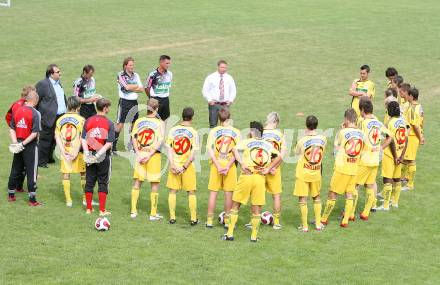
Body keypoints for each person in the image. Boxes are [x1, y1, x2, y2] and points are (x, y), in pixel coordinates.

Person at [223, 121, 282, 242]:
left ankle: (229, 234)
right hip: (260, 178)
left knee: (235, 206)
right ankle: (254, 237)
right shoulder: (267, 145)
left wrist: (242, 163)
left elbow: (234, 150)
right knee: (257, 209)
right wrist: (269, 168)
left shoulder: (247, 142)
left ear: (252, 131)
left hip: (246, 176)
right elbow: (280, 156)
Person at [321, 109, 363, 226]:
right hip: (354, 168)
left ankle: (323, 219)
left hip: (342, 168)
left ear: (346, 119)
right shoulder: (361, 133)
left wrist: (340, 129)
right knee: (349, 194)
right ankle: (345, 221)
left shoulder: (343, 132)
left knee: (332, 193)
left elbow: (336, 147)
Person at [356, 98, 392, 221]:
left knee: (354, 185)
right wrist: (381, 148)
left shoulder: (362, 122)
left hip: (364, 159)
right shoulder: (378, 122)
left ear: (362, 110)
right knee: (370, 185)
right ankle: (368, 210)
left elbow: (357, 139)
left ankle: (349, 212)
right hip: (375, 160)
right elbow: (390, 137)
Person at [130, 98, 165, 220]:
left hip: (140, 155)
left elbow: (134, 138)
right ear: (156, 108)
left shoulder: (139, 121)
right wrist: (149, 155)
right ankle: (153, 214)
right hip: (153, 156)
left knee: (137, 183)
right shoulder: (160, 123)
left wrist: (138, 153)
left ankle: (133, 211)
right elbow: (160, 140)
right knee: (154, 184)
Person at [55, 96, 93, 207]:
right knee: (84, 174)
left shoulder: (60, 119)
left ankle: (68, 201)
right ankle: (85, 199)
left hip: (65, 151)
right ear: (79, 106)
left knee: (66, 175)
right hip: (78, 151)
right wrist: (76, 152)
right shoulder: (82, 120)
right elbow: (83, 137)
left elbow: (57, 136)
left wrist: (63, 151)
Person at [205, 107, 240, 228]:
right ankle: (227, 221)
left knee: (213, 193)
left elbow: (209, 149)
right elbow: (236, 152)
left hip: (216, 165)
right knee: (228, 194)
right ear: (229, 118)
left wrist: (218, 165)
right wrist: (228, 166)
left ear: (219, 119)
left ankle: (209, 221)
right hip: (230, 167)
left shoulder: (214, 131)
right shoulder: (236, 132)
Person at [7, 90, 42, 206]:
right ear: (35, 101)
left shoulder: (17, 110)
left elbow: (12, 128)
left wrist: (15, 143)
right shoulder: (35, 113)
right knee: (32, 171)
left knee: (16, 168)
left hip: (18, 143)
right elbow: (34, 133)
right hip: (30, 145)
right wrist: (22, 145)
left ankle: (11, 194)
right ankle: (32, 200)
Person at [81, 98, 115, 216]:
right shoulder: (109, 123)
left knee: (89, 181)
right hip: (103, 156)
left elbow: (83, 139)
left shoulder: (88, 121)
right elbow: (109, 143)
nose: (109, 109)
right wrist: (99, 155)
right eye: (108, 107)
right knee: (102, 181)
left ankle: (89, 209)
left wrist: (86, 153)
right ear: (105, 108)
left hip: (90, 155)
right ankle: (102, 210)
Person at [293, 115, 327, 232]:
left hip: (303, 173)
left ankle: (305, 226)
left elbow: (296, 152)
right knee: (316, 197)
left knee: (303, 199)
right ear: (316, 125)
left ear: (306, 125)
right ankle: (318, 224)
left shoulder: (302, 140)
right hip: (316, 172)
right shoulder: (323, 139)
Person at [166, 107, 199, 225]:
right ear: (192, 117)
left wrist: (172, 164)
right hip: (187, 167)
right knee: (191, 192)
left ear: (182, 116)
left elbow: (169, 149)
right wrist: (184, 167)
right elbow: (192, 155)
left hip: (174, 165)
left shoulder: (173, 130)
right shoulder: (194, 132)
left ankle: (172, 217)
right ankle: (193, 219)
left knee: (172, 191)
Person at [5, 85, 36, 193]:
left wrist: (14, 129)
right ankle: (19, 186)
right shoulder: (24, 106)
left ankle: (15, 188)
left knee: (18, 164)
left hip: (17, 138)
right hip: (25, 139)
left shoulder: (16, 104)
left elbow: (8, 117)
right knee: (23, 165)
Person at [36, 64, 67, 168]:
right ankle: (41, 161)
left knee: (55, 138)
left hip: (60, 116)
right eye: (58, 72)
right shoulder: (42, 84)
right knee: (46, 138)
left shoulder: (58, 83)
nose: (60, 73)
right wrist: (38, 115)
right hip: (48, 117)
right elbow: (36, 100)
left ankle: (49, 158)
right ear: (51, 74)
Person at [378, 101, 408, 210]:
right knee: (397, 179)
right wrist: (402, 155)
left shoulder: (390, 123)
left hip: (391, 155)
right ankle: (395, 202)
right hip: (400, 154)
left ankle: (385, 205)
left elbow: (390, 141)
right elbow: (406, 139)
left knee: (387, 179)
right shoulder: (403, 122)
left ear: (390, 111)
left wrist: (395, 156)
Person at [261, 112, 286, 229]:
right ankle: (276, 222)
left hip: (260, 168)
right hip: (274, 169)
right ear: (276, 122)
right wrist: (273, 167)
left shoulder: (260, 132)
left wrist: (266, 167)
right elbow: (282, 154)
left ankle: (253, 221)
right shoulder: (280, 134)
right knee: (276, 195)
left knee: (258, 194)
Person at [114, 57, 144, 152]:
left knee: (134, 124)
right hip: (124, 102)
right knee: (120, 124)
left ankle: (132, 146)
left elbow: (142, 89)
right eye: (130, 65)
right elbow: (126, 87)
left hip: (134, 102)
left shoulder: (136, 75)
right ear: (125, 66)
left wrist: (131, 87)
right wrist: (135, 86)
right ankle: (113, 147)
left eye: (133, 65)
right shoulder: (121, 75)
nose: (132, 66)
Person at [202, 60, 237, 128]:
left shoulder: (229, 78)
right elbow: (205, 90)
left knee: (226, 124)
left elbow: (233, 90)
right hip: (214, 104)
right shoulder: (211, 77)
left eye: (225, 68)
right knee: (213, 124)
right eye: (222, 67)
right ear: (218, 67)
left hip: (225, 105)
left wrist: (230, 100)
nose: (223, 69)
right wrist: (209, 100)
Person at [402, 87, 424, 191]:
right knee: (406, 159)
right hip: (415, 136)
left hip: (412, 137)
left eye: (408, 95)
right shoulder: (419, 106)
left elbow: (414, 125)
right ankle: (405, 179)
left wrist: (420, 138)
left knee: (411, 160)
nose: (407, 97)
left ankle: (410, 184)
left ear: (411, 96)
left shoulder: (412, 108)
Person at [145, 55, 173, 121]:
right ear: (161, 62)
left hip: (166, 100)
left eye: (169, 63)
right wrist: (151, 98)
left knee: (165, 120)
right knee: (152, 120)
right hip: (155, 100)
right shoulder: (152, 75)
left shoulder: (170, 74)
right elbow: (147, 88)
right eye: (167, 63)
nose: (168, 65)